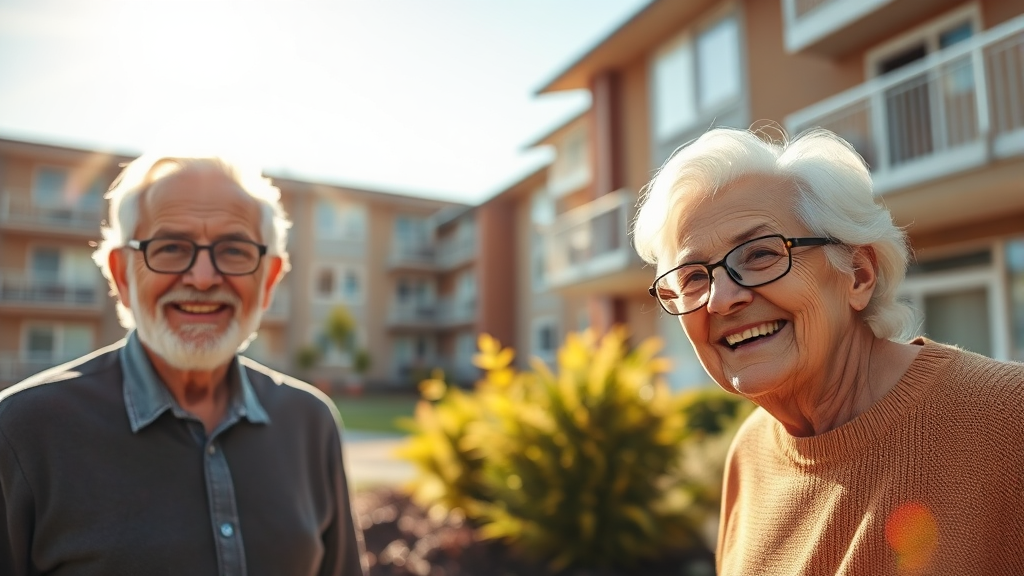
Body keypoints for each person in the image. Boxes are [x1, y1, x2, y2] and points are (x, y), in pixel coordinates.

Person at [633, 126, 1024, 575]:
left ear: (858, 274)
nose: (722, 299)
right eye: (693, 278)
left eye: (760, 254)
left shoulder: (1009, 420)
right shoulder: (750, 453)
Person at [0, 154, 368, 575]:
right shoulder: (22, 430)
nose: (204, 277)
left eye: (234, 249)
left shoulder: (310, 422)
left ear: (268, 280)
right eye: (172, 247)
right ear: (121, 275)